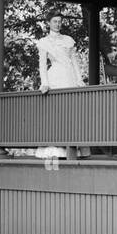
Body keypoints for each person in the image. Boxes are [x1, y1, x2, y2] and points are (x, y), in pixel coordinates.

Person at [36, 10, 86, 159]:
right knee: (56, 112)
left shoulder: (68, 40)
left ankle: (73, 147)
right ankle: (56, 148)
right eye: (54, 21)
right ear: (48, 23)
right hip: (55, 77)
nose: (57, 24)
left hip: (69, 75)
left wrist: (79, 79)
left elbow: (75, 62)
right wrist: (44, 82)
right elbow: (42, 65)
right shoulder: (44, 42)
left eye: (59, 21)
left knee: (71, 111)